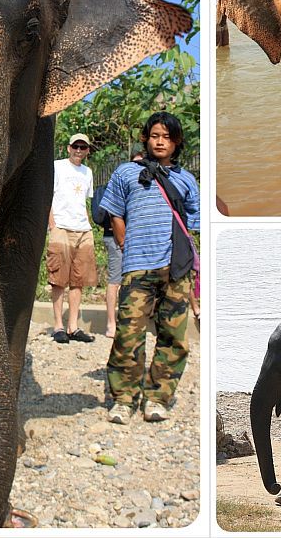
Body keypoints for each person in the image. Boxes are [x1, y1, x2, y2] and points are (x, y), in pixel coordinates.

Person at [99, 112, 200, 424]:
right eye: (155, 135)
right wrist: (125, 244)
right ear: (146, 138)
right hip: (138, 265)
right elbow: (114, 211)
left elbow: (193, 222)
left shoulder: (186, 179)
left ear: (176, 143)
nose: (160, 141)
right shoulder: (126, 173)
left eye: (167, 137)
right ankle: (124, 399)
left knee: (173, 337)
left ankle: (157, 397)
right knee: (128, 334)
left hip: (177, 268)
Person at [46, 132, 97, 344]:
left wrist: (89, 226)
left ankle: (73, 326)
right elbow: (47, 196)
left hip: (83, 229)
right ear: (68, 148)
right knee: (58, 279)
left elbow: (84, 202)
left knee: (79, 280)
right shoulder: (57, 166)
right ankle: (58, 325)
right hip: (61, 227)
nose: (78, 150)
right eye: (75, 146)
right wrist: (52, 225)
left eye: (82, 147)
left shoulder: (88, 172)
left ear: (87, 151)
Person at [92, 149, 144, 339]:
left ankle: (129, 320)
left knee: (136, 281)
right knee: (115, 280)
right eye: (136, 163)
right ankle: (111, 323)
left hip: (137, 238)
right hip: (115, 238)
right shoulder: (122, 185)